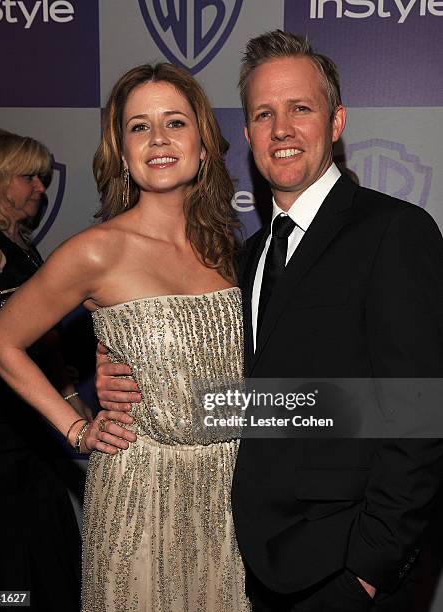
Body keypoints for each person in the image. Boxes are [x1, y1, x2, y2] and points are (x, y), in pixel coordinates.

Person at [95, 31, 443, 611]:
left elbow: (421, 412)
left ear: (336, 123)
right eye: (263, 114)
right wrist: (132, 381)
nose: (281, 129)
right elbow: (255, 398)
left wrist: (370, 567)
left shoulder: (393, 234)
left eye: (300, 109)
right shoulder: (242, 261)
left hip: (344, 571)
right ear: (248, 134)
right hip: (240, 562)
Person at [0, 64, 250, 611]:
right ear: (121, 152)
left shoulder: (227, 248)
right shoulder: (95, 251)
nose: (157, 139)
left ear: (202, 142)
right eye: (138, 127)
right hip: (140, 491)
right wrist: (76, 429)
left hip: (227, 490)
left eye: (174, 122)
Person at [0, 128, 84, 610]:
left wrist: (75, 405)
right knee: (1, 560)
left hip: (24, 426)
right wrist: (49, 331)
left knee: (43, 555)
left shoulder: (22, 244)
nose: (41, 187)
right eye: (28, 177)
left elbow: (43, 349)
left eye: (42, 177)